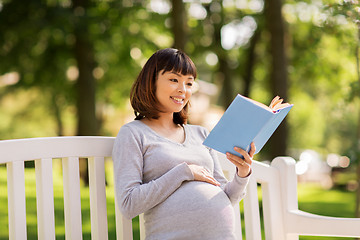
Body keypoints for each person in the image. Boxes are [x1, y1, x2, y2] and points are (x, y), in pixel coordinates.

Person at [112, 48, 255, 240]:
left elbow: (227, 197)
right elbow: (129, 205)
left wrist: (242, 174)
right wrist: (183, 172)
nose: (183, 90)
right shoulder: (134, 133)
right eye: (174, 80)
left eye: (189, 83)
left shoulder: (201, 134)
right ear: (150, 81)